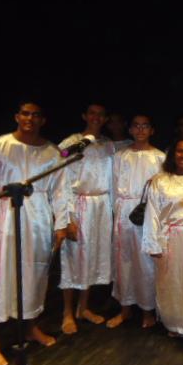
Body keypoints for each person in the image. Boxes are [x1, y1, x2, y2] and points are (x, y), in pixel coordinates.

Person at [0, 101, 71, 365]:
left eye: (36, 115)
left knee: (34, 277)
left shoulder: (53, 152)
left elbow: (60, 191)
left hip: (37, 221)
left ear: (43, 120)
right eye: (25, 113)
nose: (30, 118)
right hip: (3, 220)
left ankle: (31, 328)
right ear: (16, 116)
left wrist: (61, 225)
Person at [59, 103, 115, 334]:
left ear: (105, 119)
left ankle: (84, 307)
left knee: (90, 259)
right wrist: (67, 218)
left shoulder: (109, 146)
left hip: (101, 206)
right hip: (78, 206)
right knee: (72, 260)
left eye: (101, 115)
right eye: (92, 113)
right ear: (84, 115)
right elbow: (61, 184)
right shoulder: (70, 143)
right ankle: (67, 313)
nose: (96, 117)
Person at [142, 139, 183, 337]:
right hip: (171, 235)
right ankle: (174, 322)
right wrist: (153, 244)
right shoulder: (160, 180)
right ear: (173, 154)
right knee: (171, 281)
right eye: (180, 151)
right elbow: (152, 213)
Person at [106, 115, 165, 329]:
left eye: (145, 126)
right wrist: (116, 214)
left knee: (146, 263)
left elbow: (162, 190)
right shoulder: (120, 155)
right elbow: (113, 187)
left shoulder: (159, 157)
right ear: (130, 129)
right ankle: (125, 309)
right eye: (136, 126)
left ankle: (148, 310)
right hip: (123, 213)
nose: (140, 130)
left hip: (147, 214)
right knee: (124, 262)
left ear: (152, 130)